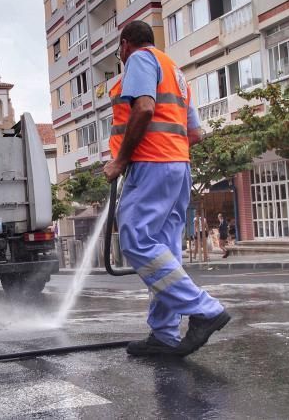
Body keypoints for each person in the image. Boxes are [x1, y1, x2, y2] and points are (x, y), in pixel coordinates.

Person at [103, 20, 230, 357]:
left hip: (151, 164)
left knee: (135, 238)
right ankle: (163, 332)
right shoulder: (175, 70)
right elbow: (195, 133)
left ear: (126, 44)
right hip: (178, 166)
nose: (120, 55)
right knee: (166, 250)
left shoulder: (140, 60)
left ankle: (205, 309)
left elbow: (143, 108)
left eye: (119, 49)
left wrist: (121, 160)